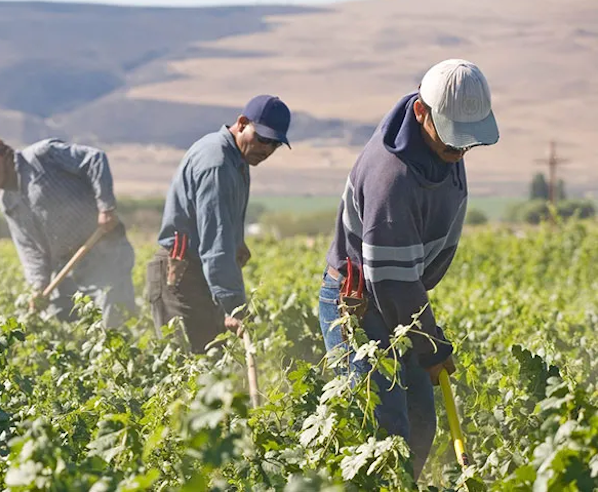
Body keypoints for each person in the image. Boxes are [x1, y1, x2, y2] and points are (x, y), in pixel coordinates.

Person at [318, 59, 500, 478]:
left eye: (466, 141)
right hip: (361, 305)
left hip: (402, 298)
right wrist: (432, 348)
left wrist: (426, 340)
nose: (460, 152)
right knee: (384, 434)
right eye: (454, 139)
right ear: (421, 112)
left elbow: (403, 284)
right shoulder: (392, 177)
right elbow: (391, 281)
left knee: (421, 422)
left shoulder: (440, 145)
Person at [146, 95, 292, 353]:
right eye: (263, 139)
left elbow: (222, 230)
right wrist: (234, 306)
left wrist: (239, 244)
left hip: (200, 275)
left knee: (210, 369)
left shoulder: (237, 158)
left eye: (275, 144)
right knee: (188, 372)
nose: (267, 150)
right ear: (242, 123)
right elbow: (216, 245)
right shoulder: (218, 164)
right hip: (180, 275)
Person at [0, 135, 136, 328]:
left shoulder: (43, 156)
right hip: (65, 265)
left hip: (101, 249)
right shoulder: (8, 202)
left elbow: (94, 159)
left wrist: (106, 208)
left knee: (113, 319)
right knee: (61, 321)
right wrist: (39, 287)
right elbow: (29, 248)